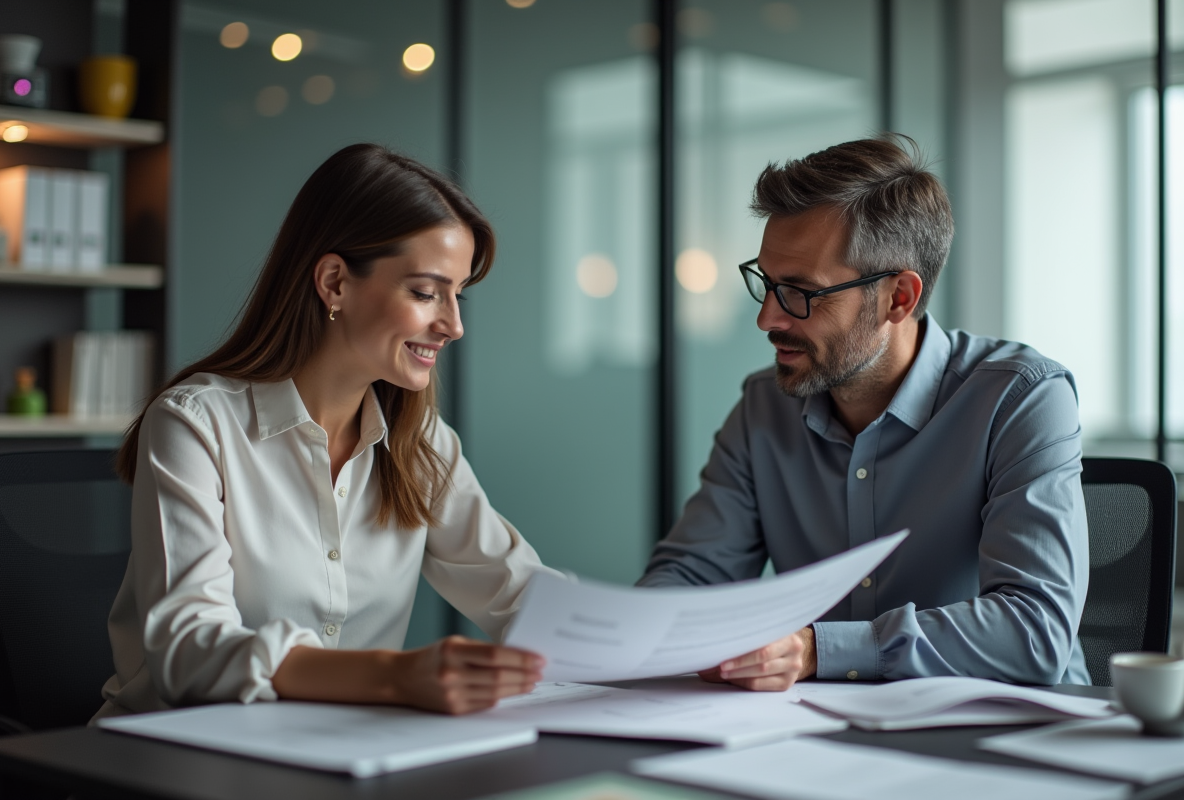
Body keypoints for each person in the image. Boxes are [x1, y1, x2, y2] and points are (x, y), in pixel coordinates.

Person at [95, 144, 551, 721]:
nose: (454, 325)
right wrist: (395, 676)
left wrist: (679, 651)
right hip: (172, 759)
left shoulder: (420, 441)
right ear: (335, 282)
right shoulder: (195, 423)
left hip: (340, 757)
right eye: (425, 291)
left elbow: (522, 595)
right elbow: (189, 651)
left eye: (458, 294)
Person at [639, 135, 1090, 689]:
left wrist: (814, 650)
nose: (767, 319)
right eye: (767, 283)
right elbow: (689, 576)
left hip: (1012, 740)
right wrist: (642, 630)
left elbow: (1034, 631)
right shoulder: (764, 407)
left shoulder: (1021, 399)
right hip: (820, 736)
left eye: (801, 293)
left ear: (898, 298)